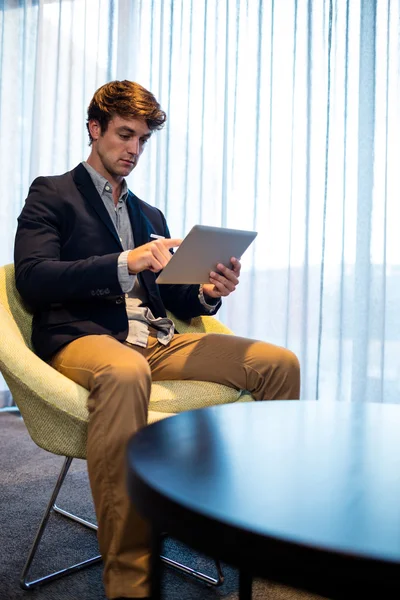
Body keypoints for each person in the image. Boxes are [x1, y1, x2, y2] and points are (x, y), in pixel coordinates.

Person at [14, 80, 300, 600]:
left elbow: (180, 303)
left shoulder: (151, 215)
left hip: (158, 340)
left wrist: (212, 292)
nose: (134, 150)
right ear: (94, 128)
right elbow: (33, 279)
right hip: (87, 336)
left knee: (278, 363)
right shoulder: (51, 193)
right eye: (125, 135)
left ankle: (270, 546)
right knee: (126, 372)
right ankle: (129, 583)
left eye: (143, 140)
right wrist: (126, 261)